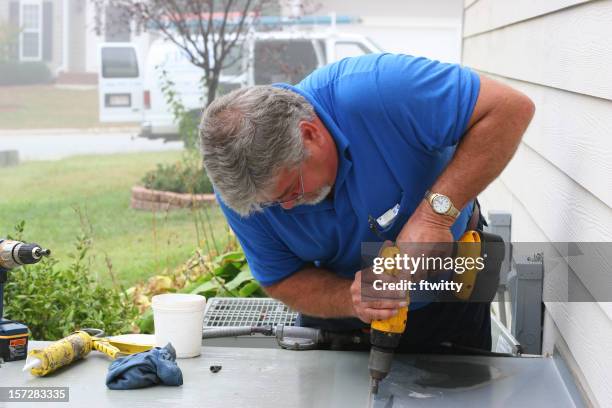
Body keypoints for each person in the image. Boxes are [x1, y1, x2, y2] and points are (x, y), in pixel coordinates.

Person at [199, 53, 534, 352]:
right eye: (272, 203)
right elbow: (281, 278)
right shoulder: (247, 195)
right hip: (343, 320)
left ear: (310, 134)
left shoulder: (377, 92)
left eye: (291, 189)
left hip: (451, 291)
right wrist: (351, 298)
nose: (286, 208)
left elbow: (509, 109)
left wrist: (435, 216)